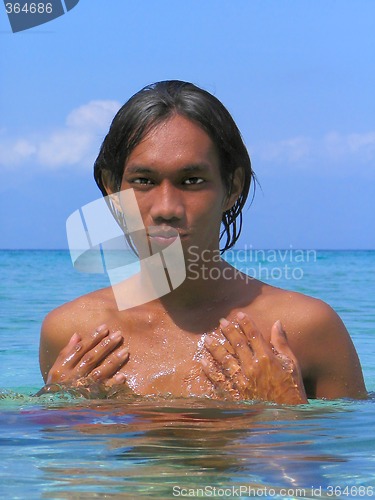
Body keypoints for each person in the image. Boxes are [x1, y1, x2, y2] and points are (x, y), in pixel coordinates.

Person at [39, 80, 366, 404]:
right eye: (143, 181)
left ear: (232, 188)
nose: (166, 208)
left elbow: (348, 450)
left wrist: (284, 408)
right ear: (112, 190)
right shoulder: (74, 335)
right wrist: (60, 409)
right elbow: (59, 456)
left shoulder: (306, 329)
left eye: (192, 181)